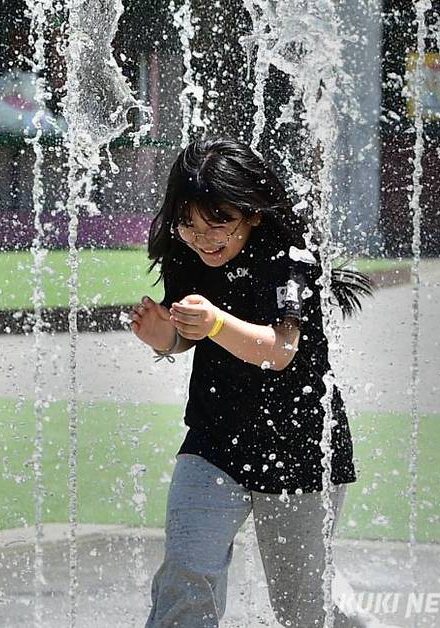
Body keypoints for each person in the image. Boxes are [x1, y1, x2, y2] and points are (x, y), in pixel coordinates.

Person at [129, 137, 375, 628]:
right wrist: (166, 339)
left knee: (303, 607)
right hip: (213, 442)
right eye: (189, 224)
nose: (203, 238)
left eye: (218, 221)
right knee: (186, 570)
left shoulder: (289, 259)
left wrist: (214, 322)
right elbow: (190, 336)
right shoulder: (188, 255)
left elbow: (280, 351)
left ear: (253, 213)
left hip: (300, 447)